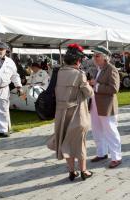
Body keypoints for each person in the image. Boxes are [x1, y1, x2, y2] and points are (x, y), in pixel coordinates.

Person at [52, 43, 94, 181]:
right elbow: (89, 93)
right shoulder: (79, 74)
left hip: (61, 113)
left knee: (66, 142)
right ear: (78, 60)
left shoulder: (59, 72)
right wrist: (88, 84)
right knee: (79, 142)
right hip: (77, 112)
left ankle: (71, 172)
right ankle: (84, 171)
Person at [89, 46, 122, 169]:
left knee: (111, 131)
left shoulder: (111, 69)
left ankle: (116, 157)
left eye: (97, 56)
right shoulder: (99, 69)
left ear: (105, 57)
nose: (94, 58)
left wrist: (96, 85)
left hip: (107, 106)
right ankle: (102, 153)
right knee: (97, 130)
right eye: (94, 56)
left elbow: (114, 89)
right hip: (96, 105)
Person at [0, 42, 23, 138]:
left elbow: (15, 75)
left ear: (5, 51)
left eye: (1, 49)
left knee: (3, 109)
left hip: (3, 89)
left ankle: (3, 130)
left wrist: (18, 86)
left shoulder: (10, 62)